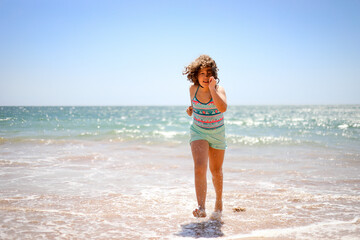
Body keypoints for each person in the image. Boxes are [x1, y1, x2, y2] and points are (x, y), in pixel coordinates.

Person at [183, 55, 227, 218]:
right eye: (201, 73)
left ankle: (219, 201)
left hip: (217, 133)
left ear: (213, 75)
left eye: (208, 73)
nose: (205, 76)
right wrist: (190, 110)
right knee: (199, 166)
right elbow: (195, 106)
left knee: (216, 171)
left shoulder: (219, 90)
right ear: (195, 75)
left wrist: (212, 89)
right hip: (199, 131)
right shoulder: (192, 90)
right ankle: (201, 207)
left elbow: (222, 108)